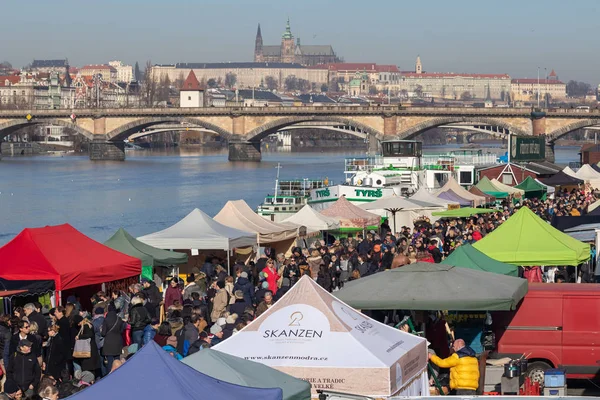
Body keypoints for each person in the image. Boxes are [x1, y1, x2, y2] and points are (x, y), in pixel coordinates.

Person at [100, 306, 123, 375]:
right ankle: (119, 375)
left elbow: (103, 334)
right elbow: (121, 330)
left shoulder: (106, 319)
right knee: (117, 359)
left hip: (108, 342)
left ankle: (109, 376)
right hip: (118, 342)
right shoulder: (119, 319)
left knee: (109, 362)